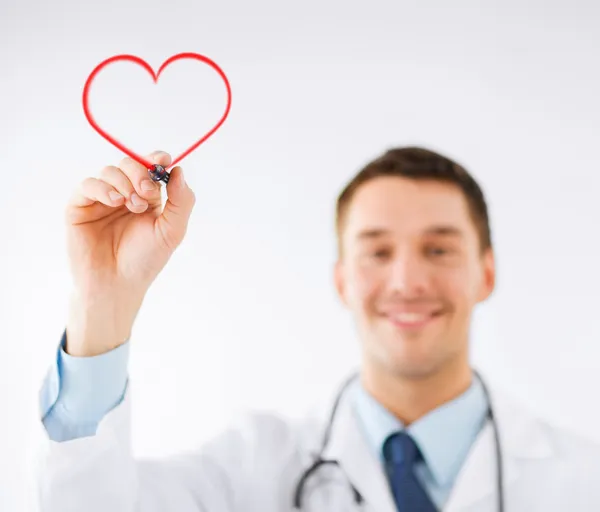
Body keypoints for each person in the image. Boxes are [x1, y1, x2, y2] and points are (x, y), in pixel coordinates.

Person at [36, 147, 600, 512]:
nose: (406, 280)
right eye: (377, 250)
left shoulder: (582, 480)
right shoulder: (254, 468)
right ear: (341, 280)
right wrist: (103, 301)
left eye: (439, 249)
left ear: (487, 272)